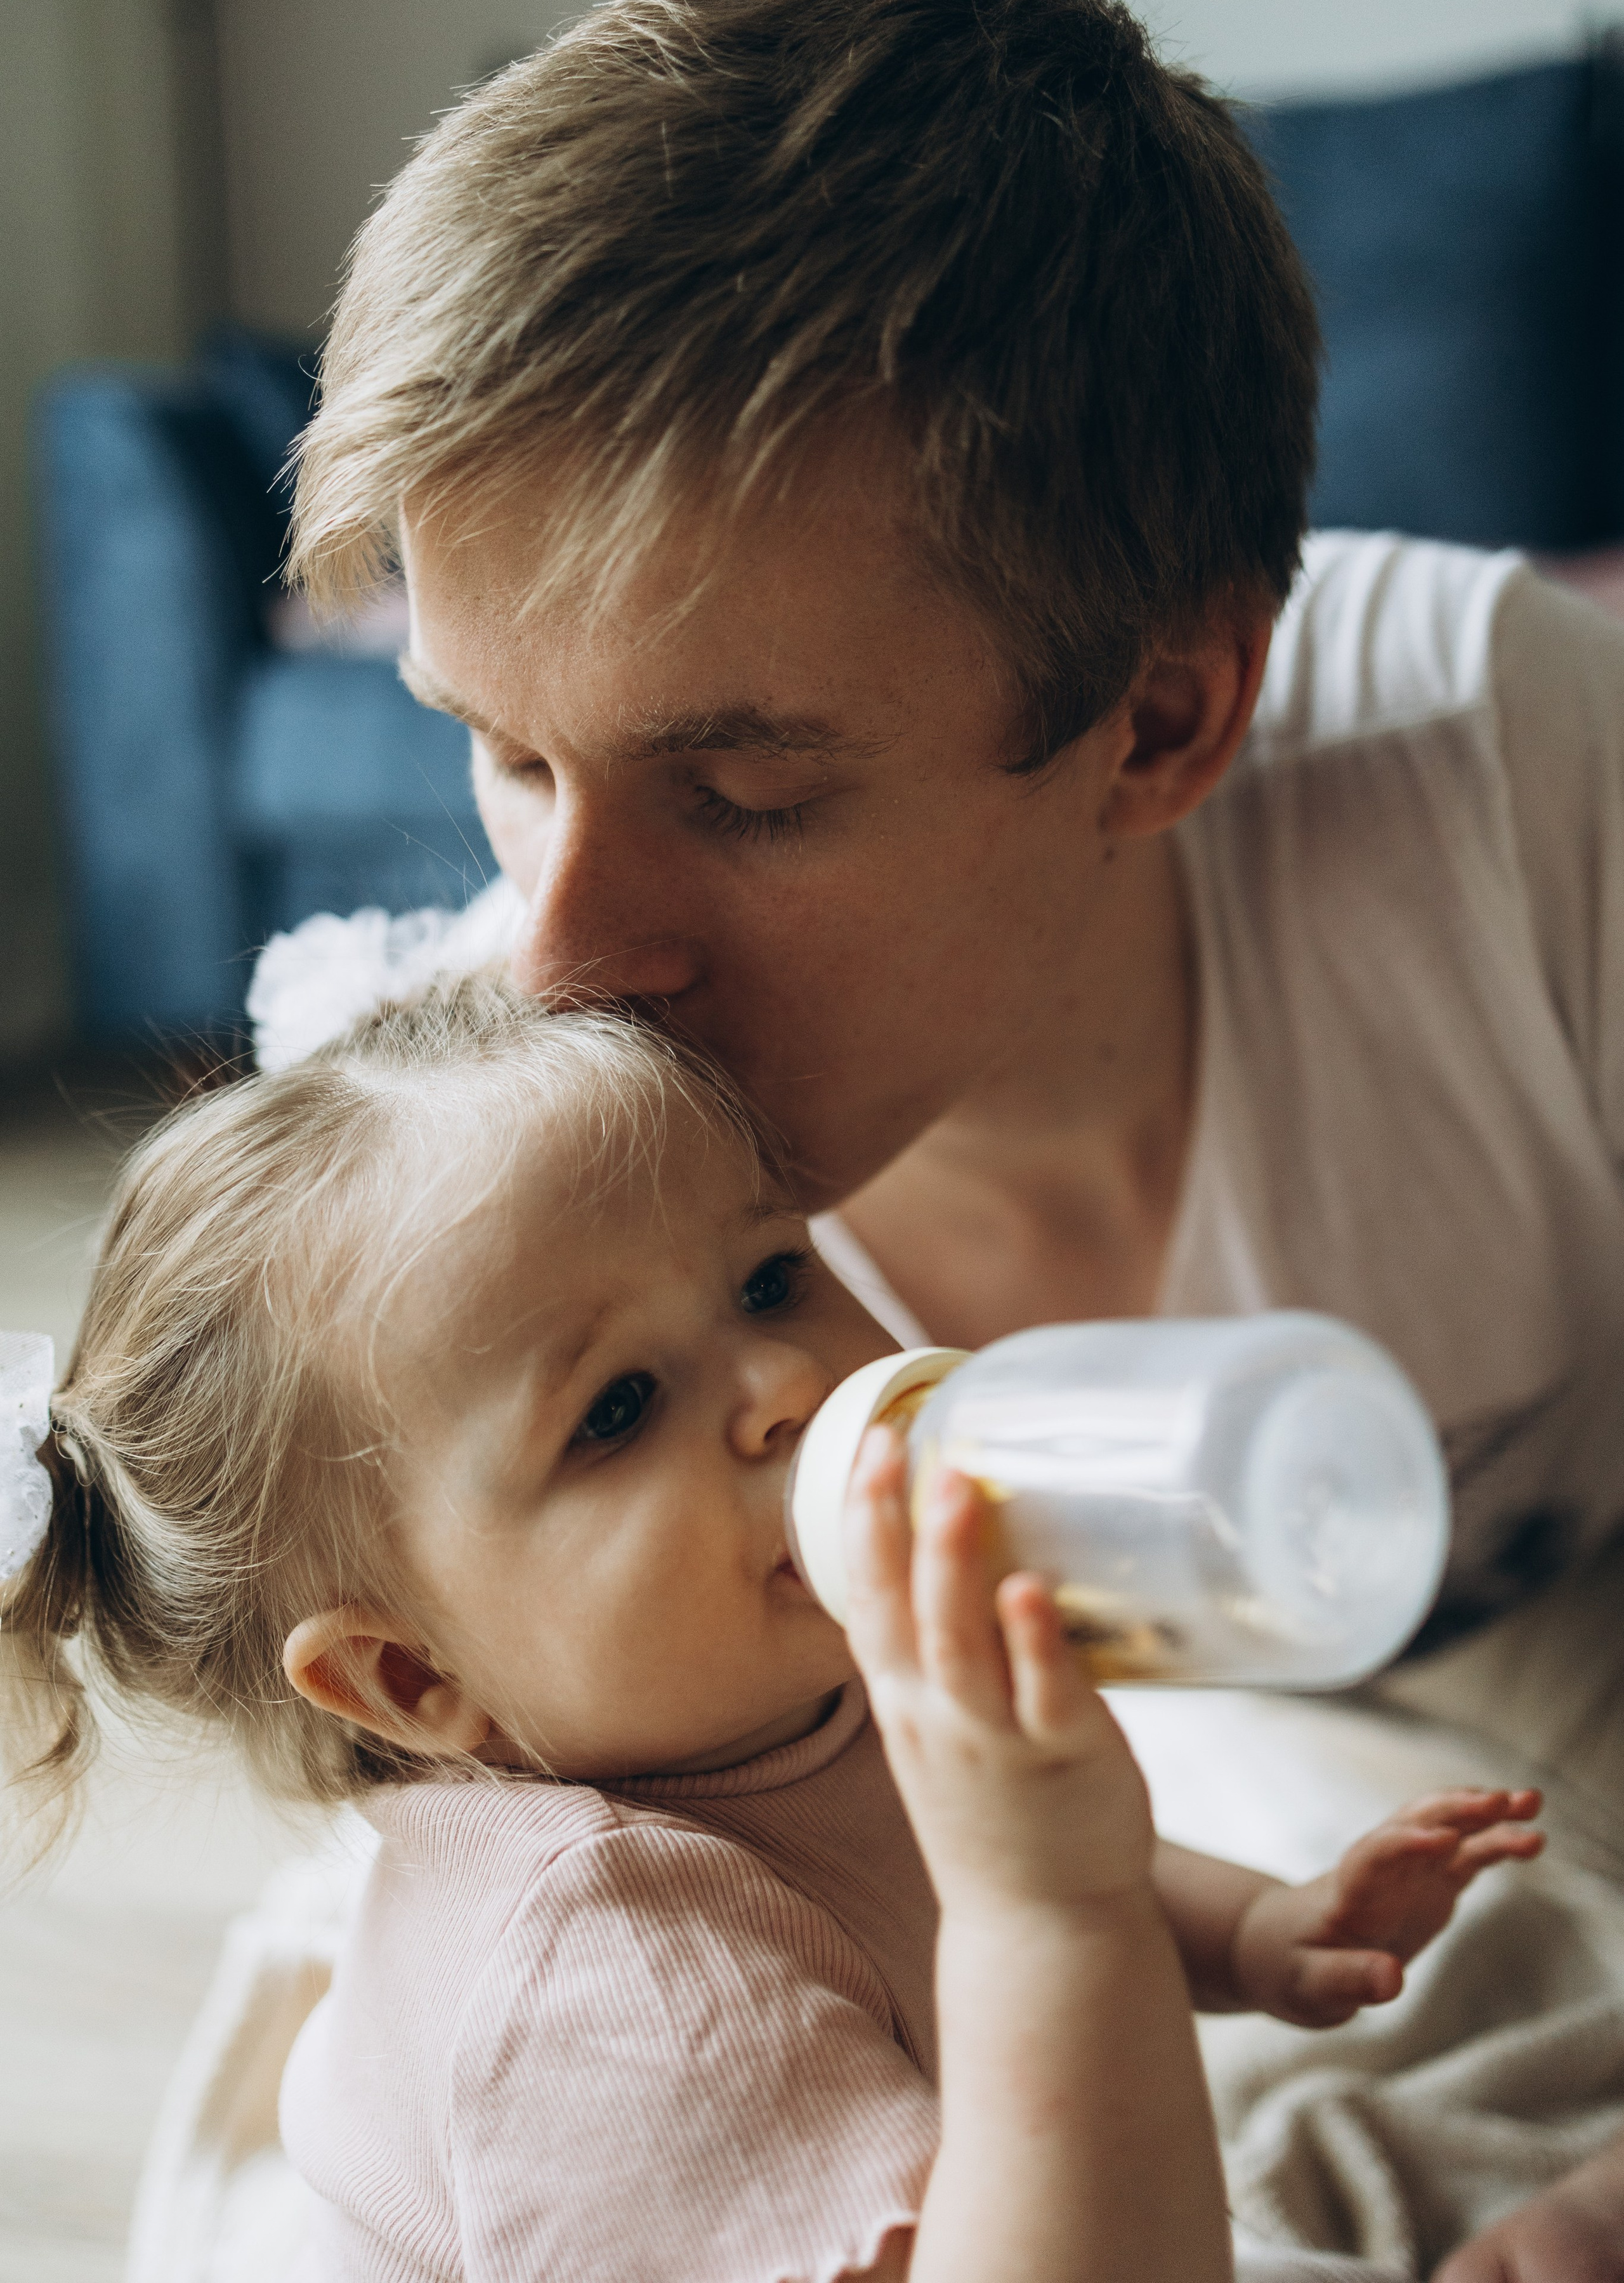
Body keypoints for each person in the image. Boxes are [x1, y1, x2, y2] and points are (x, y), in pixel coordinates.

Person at [265, 0, 1624, 2277]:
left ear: (1162, 719)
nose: (563, 963)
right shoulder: (486, 1187)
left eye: (747, 792)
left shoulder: (1502, 794)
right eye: (505, 755)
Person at [1, 978, 1545, 2282]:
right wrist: (1053, 1915)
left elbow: (924, 1848)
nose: (786, 1385)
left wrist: (1256, 1933)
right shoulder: (618, 1985)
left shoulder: (755, 1676)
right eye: (617, 1408)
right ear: (413, 1676)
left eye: (768, 1276)